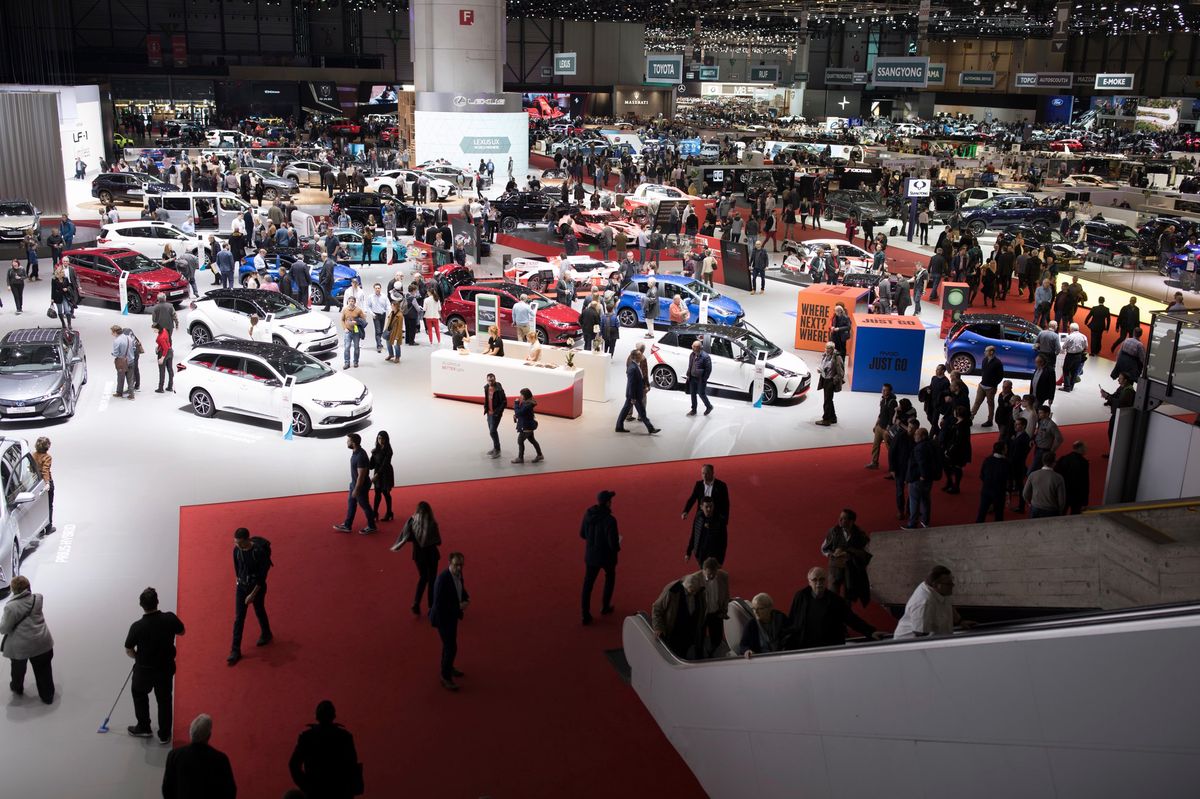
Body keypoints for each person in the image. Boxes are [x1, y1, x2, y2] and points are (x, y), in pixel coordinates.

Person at [125, 586, 185, 741]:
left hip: (144, 670)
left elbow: (129, 649)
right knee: (164, 700)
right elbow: (182, 631)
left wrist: (137, 657)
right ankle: (164, 734)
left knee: (139, 693)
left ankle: (144, 727)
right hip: (165, 668)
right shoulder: (169, 618)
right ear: (157, 602)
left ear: (141, 605)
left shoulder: (137, 627)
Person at [784, 567, 882, 649]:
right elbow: (793, 619)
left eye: (822, 579)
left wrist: (870, 632)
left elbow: (851, 618)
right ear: (809, 582)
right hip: (806, 647)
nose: (818, 583)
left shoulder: (835, 600)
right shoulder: (801, 596)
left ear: (826, 581)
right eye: (815, 580)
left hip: (829, 647)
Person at [288, 700, 361, 797]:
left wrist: (306, 785)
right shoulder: (344, 737)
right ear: (333, 716)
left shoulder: (307, 737)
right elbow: (352, 765)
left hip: (316, 791)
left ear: (317, 716)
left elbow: (293, 764)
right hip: (339, 791)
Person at [1, 576, 55, 704]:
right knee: (44, 670)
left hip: (21, 648)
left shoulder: (11, 607)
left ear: (13, 590)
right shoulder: (38, 598)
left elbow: (4, 628)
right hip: (42, 642)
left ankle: (17, 688)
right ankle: (48, 696)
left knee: (18, 671)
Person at [162, 714, 238, 799]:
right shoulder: (221, 759)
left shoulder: (174, 755)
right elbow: (230, 791)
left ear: (190, 734)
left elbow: (167, 788)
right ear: (209, 736)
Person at [227, 529, 270, 666]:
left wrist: (252, 595)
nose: (237, 545)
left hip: (257, 588)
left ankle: (266, 633)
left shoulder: (259, 552)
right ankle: (235, 650)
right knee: (239, 618)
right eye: (235, 542)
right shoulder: (236, 550)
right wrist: (239, 582)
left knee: (259, 610)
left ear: (247, 540)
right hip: (242, 587)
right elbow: (237, 568)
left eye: (239, 543)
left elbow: (262, 579)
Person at [392, 501, 443, 615]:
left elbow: (407, 538)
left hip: (418, 555)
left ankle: (416, 602)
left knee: (423, 577)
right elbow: (438, 541)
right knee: (432, 579)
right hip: (432, 555)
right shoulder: (432, 523)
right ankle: (431, 607)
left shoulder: (411, 522)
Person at [893, 565, 971, 638]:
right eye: (948, 583)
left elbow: (948, 605)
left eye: (952, 581)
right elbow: (920, 634)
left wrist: (960, 621)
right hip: (909, 642)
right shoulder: (924, 602)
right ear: (935, 585)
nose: (952, 585)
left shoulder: (942, 591)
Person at [430, 552, 469, 691]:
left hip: (451, 617)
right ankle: (445, 677)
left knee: (448, 645)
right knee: (451, 647)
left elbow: (460, 588)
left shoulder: (458, 574)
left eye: (461, 565)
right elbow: (439, 605)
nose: (459, 568)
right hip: (443, 619)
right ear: (449, 563)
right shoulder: (443, 580)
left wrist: (466, 598)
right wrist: (459, 606)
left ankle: (447, 667)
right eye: (456, 565)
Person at [580, 490, 620, 625]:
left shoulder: (588, 514)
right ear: (608, 503)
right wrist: (617, 547)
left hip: (591, 556)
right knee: (610, 578)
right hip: (607, 557)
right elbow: (613, 544)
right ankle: (605, 606)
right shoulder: (610, 520)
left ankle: (585, 614)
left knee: (588, 584)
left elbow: (582, 534)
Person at [820, 509, 872, 606]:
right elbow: (823, 549)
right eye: (840, 517)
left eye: (843, 518)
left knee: (848, 597)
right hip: (835, 568)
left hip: (851, 569)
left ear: (851, 521)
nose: (840, 520)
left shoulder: (859, 534)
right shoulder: (834, 531)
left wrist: (850, 553)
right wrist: (832, 554)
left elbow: (866, 552)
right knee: (833, 595)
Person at [650, 572, 708, 659]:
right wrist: (658, 627)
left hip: (691, 633)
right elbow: (657, 609)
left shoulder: (698, 591)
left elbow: (703, 608)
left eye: (696, 591)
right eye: (692, 591)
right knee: (674, 655)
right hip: (674, 633)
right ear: (686, 587)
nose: (695, 594)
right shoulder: (672, 591)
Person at [333, 433, 377, 535]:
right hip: (354, 484)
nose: (346, 442)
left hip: (360, 486)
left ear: (353, 443)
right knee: (351, 504)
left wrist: (356, 489)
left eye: (348, 441)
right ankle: (347, 525)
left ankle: (372, 526)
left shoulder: (361, 455)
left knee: (365, 506)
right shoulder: (355, 452)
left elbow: (361, 476)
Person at [694, 558, 730, 658]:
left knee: (717, 638)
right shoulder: (695, 578)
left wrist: (724, 610)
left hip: (716, 612)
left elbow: (726, 594)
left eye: (714, 573)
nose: (712, 576)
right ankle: (699, 658)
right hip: (701, 615)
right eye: (709, 574)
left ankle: (711, 653)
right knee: (699, 639)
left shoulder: (723, 576)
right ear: (703, 570)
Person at [615, 349, 658, 434]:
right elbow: (631, 384)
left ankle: (619, 427)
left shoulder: (636, 366)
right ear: (636, 357)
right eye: (640, 355)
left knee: (631, 411)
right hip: (634, 395)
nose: (642, 356)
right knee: (640, 412)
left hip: (634, 395)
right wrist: (633, 397)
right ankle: (651, 428)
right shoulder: (633, 368)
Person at [737, 593, 790, 658]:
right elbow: (743, 645)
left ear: (770, 608)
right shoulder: (751, 624)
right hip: (761, 659)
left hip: (783, 657)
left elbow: (790, 639)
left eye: (760, 608)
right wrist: (747, 651)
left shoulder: (781, 619)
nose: (756, 612)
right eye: (753, 609)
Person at [1024, 451, 1067, 517]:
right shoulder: (1058, 478)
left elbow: (1025, 494)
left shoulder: (1033, 475)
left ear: (1043, 461)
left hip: (1035, 508)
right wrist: (1060, 511)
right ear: (1054, 463)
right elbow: (1062, 501)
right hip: (1051, 510)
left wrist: (1030, 503)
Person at [866, 383, 898, 470]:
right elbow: (880, 414)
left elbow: (892, 417)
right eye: (882, 389)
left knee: (890, 449)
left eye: (885, 390)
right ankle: (874, 462)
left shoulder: (893, 402)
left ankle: (894, 467)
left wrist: (888, 429)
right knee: (875, 446)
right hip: (879, 427)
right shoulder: (883, 400)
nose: (883, 391)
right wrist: (876, 425)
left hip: (886, 430)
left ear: (890, 391)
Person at [970, 346, 1004, 426]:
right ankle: (970, 418)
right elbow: (983, 372)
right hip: (982, 385)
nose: (984, 352)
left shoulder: (998, 363)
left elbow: (1000, 376)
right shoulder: (984, 360)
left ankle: (989, 421)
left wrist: (994, 385)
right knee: (977, 402)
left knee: (990, 404)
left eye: (986, 351)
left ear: (991, 352)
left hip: (991, 388)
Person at [977, 440, 1009, 522]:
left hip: (986, 490)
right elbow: (1008, 479)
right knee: (999, 515)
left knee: (981, 513)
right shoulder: (1006, 463)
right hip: (999, 492)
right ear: (1002, 451)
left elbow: (982, 475)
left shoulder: (987, 460)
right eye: (1006, 448)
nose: (1007, 449)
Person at [1055, 440, 1090, 515]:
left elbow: (1056, 475)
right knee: (1075, 515)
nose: (1086, 450)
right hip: (1077, 494)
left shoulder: (1063, 458)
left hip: (1064, 492)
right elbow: (1085, 482)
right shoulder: (1084, 462)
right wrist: (1085, 501)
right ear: (1080, 448)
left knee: (1061, 513)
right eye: (1085, 448)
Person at [1101, 372, 1136, 446]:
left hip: (1121, 415)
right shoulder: (1121, 387)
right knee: (1111, 432)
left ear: (1125, 380)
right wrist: (1106, 394)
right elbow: (1114, 396)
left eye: (1120, 378)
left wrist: (1107, 396)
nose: (1118, 380)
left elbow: (1120, 403)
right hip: (1116, 413)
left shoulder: (1128, 391)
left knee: (1113, 433)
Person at [814, 341, 844, 426]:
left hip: (830, 381)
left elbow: (841, 373)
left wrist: (834, 380)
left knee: (827, 401)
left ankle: (826, 420)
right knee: (829, 400)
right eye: (826, 348)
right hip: (824, 379)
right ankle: (833, 418)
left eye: (829, 348)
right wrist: (820, 370)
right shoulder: (825, 355)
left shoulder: (837, 358)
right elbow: (823, 365)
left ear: (833, 349)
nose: (827, 350)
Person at [511, 387, 544, 464]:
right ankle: (540, 455)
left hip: (526, 426)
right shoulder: (526, 402)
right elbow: (521, 412)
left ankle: (520, 458)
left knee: (520, 441)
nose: (520, 396)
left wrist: (516, 403)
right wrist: (517, 414)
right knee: (532, 440)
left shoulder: (527, 404)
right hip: (527, 425)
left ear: (525, 395)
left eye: (521, 395)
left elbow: (519, 412)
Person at [370, 431, 394, 522]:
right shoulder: (376, 450)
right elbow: (371, 466)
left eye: (383, 438)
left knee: (385, 493)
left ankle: (389, 512)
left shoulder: (389, 450)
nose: (380, 440)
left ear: (386, 439)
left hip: (385, 473)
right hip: (377, 472)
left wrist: (377, 475)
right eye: (379, 438)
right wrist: (372, 455)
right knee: (377, 493)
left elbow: (385, 464)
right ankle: (375, 513)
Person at [685, 339, 713, 417]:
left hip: (700, 379)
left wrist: (704, 379)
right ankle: (693, 410)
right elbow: (690, 365)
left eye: (695, 346)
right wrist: (688, 374)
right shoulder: (692, 354)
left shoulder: (706, 357)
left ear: (700, 347)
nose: (693, 348)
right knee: (693, 394)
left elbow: (708, 370)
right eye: (693, 346)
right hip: (692, 378)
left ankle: (709, 406)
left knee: (701, 394)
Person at [339, 296, 368, 369]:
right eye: (349, 301)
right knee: (347, 347)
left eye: (352, 301)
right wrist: (345, 328)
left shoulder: (358, 310)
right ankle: (347, 363)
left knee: (356, 347)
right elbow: (342, 320)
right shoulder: (345, 310)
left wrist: (357, 322)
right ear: (348, 302)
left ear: (355, 302)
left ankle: (355, 362)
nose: (351, 303)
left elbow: (364, 320)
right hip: (348, 331)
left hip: (356, 332)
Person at [483, 372, 507, 458]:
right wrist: (486, 407)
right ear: (487, 380)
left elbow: (504, 402)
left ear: (495, 380)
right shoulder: (486, 387)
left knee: (492, 431)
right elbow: (486, 399)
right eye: (489, 381)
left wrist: (498, 412)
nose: (490, 382)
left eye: (492, 381)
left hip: (496, 414)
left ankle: (497, 450)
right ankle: (495, 448)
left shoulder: (499, 389)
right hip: (489, 413)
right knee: (492, 431)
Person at [362, 282, 389, 353]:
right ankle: (379, 345)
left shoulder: (384, 296)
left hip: (383, 315)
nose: (377, 289)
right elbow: (368, 306)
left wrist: (389, 312)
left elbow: (388, 305)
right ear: (374, 289)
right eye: (376, 288)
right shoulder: (371, 297)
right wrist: (372, 313)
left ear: (380, 289)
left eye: (378, 288)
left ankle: (379, 341)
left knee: (381, 330)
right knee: (378, 330)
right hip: (375, 315)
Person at [1061, 323, 1088, 392]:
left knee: (1066, 370)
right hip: (1079, 355)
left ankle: (1067, 387)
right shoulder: (1083, 336)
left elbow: (1064, 346)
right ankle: (1071, 386)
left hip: (1070, 355)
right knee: (1074, 371)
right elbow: (1086, 347)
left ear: (1071, 329)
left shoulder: (1070, 336)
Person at [111, 324, 135, 399]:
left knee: (120, 377)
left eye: (112, 332)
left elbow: (116, 353)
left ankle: (119, 392)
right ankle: (131, 395)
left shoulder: (117, 341)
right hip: (131, 360)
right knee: (130, 379)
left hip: (122, 362)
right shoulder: (129, 338)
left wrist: (112, 354)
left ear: (115, 332)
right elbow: (134, 348)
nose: (111, 334)